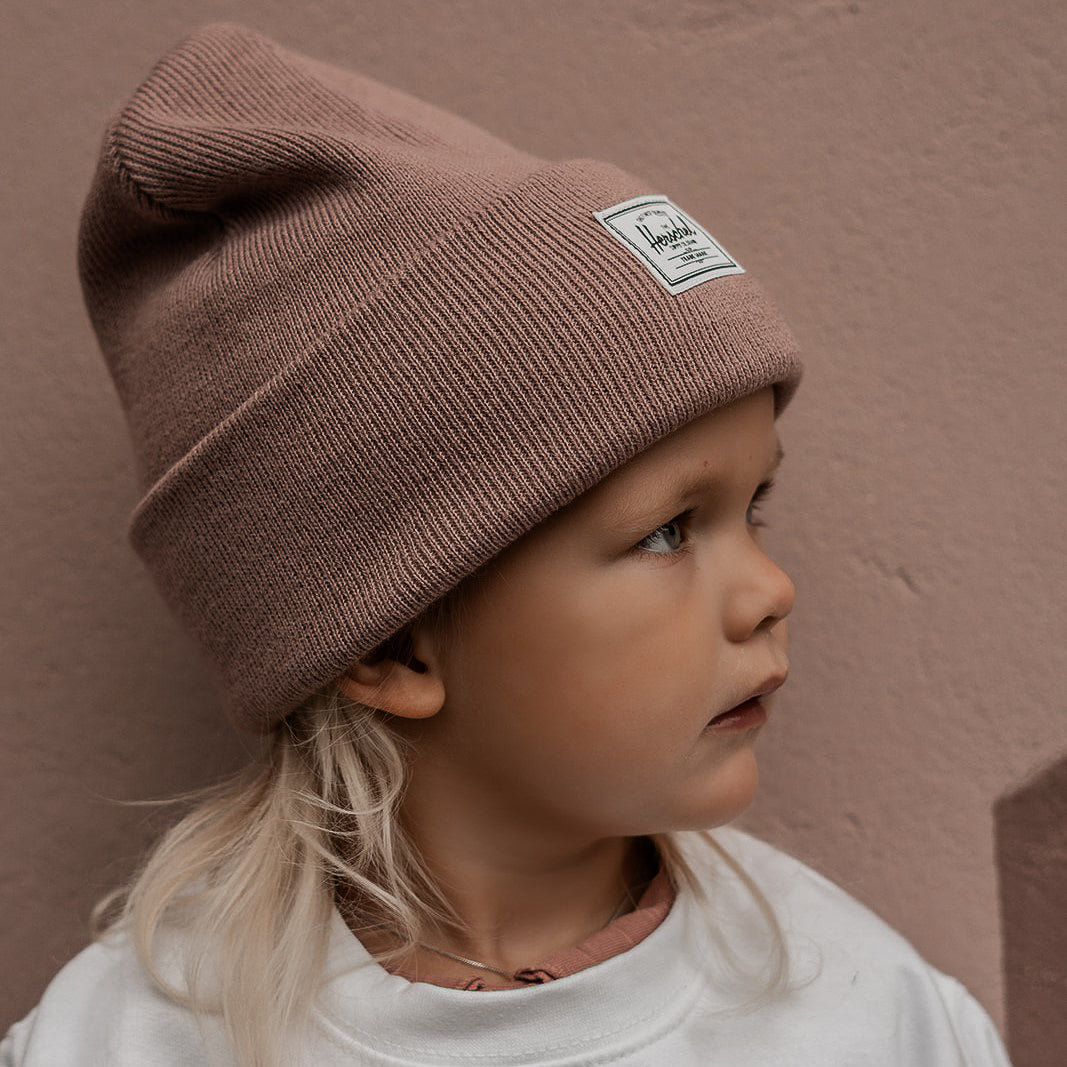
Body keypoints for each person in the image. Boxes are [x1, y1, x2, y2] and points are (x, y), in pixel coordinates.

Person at [2, 22, 1011, 1067]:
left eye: (753, 507)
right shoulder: (126, 1040)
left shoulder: (865, 1018)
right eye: (668, 529)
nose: (767, 588)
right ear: (392, 645)